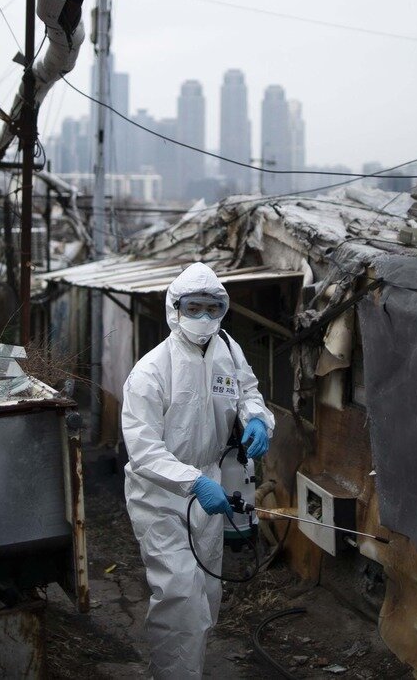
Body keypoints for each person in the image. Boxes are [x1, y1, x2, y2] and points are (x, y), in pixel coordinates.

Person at [121, 262, 274, 680]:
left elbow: (247, 390)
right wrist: (193, 481)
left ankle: (191, 670)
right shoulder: (151, 371)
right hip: (160, 496)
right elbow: (143, 451)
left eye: (212, 307)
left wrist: (256, 419)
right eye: (193, 308)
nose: (204, 317)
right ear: (175, 309)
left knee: (206, 591)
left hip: (210, 485)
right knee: (179, 599)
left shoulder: (227, 349)